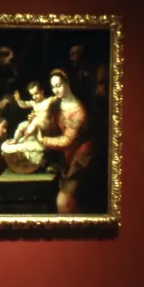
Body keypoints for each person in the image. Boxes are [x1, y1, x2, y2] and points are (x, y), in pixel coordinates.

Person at [35, 68, 95, 214]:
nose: (55, 90)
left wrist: (43, 140)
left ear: (67, 84)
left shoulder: (78, 112)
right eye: (53, 87)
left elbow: (68, 140)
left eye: (59, 85)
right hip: (64, 156)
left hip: (80, 158)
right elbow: (52, 126)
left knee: (65, 200)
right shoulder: (56, 104)